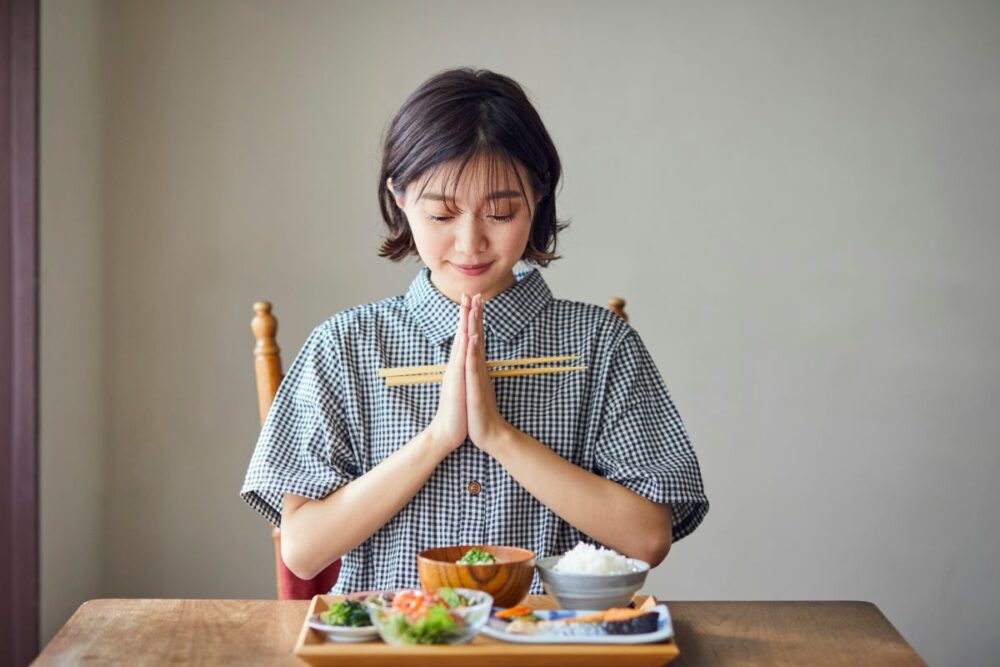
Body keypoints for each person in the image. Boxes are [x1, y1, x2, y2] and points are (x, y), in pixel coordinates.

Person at [241, 68, 709, 594]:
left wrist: (499, 436)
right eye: (441, 214)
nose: (470, 243)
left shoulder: (599, 344)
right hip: (398, 647)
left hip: (550, 646)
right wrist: (440, 438)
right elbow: (302, 551)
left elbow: (649, 538)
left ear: (539, 195)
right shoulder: (344, 345)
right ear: (398, 196)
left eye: (502, 212)